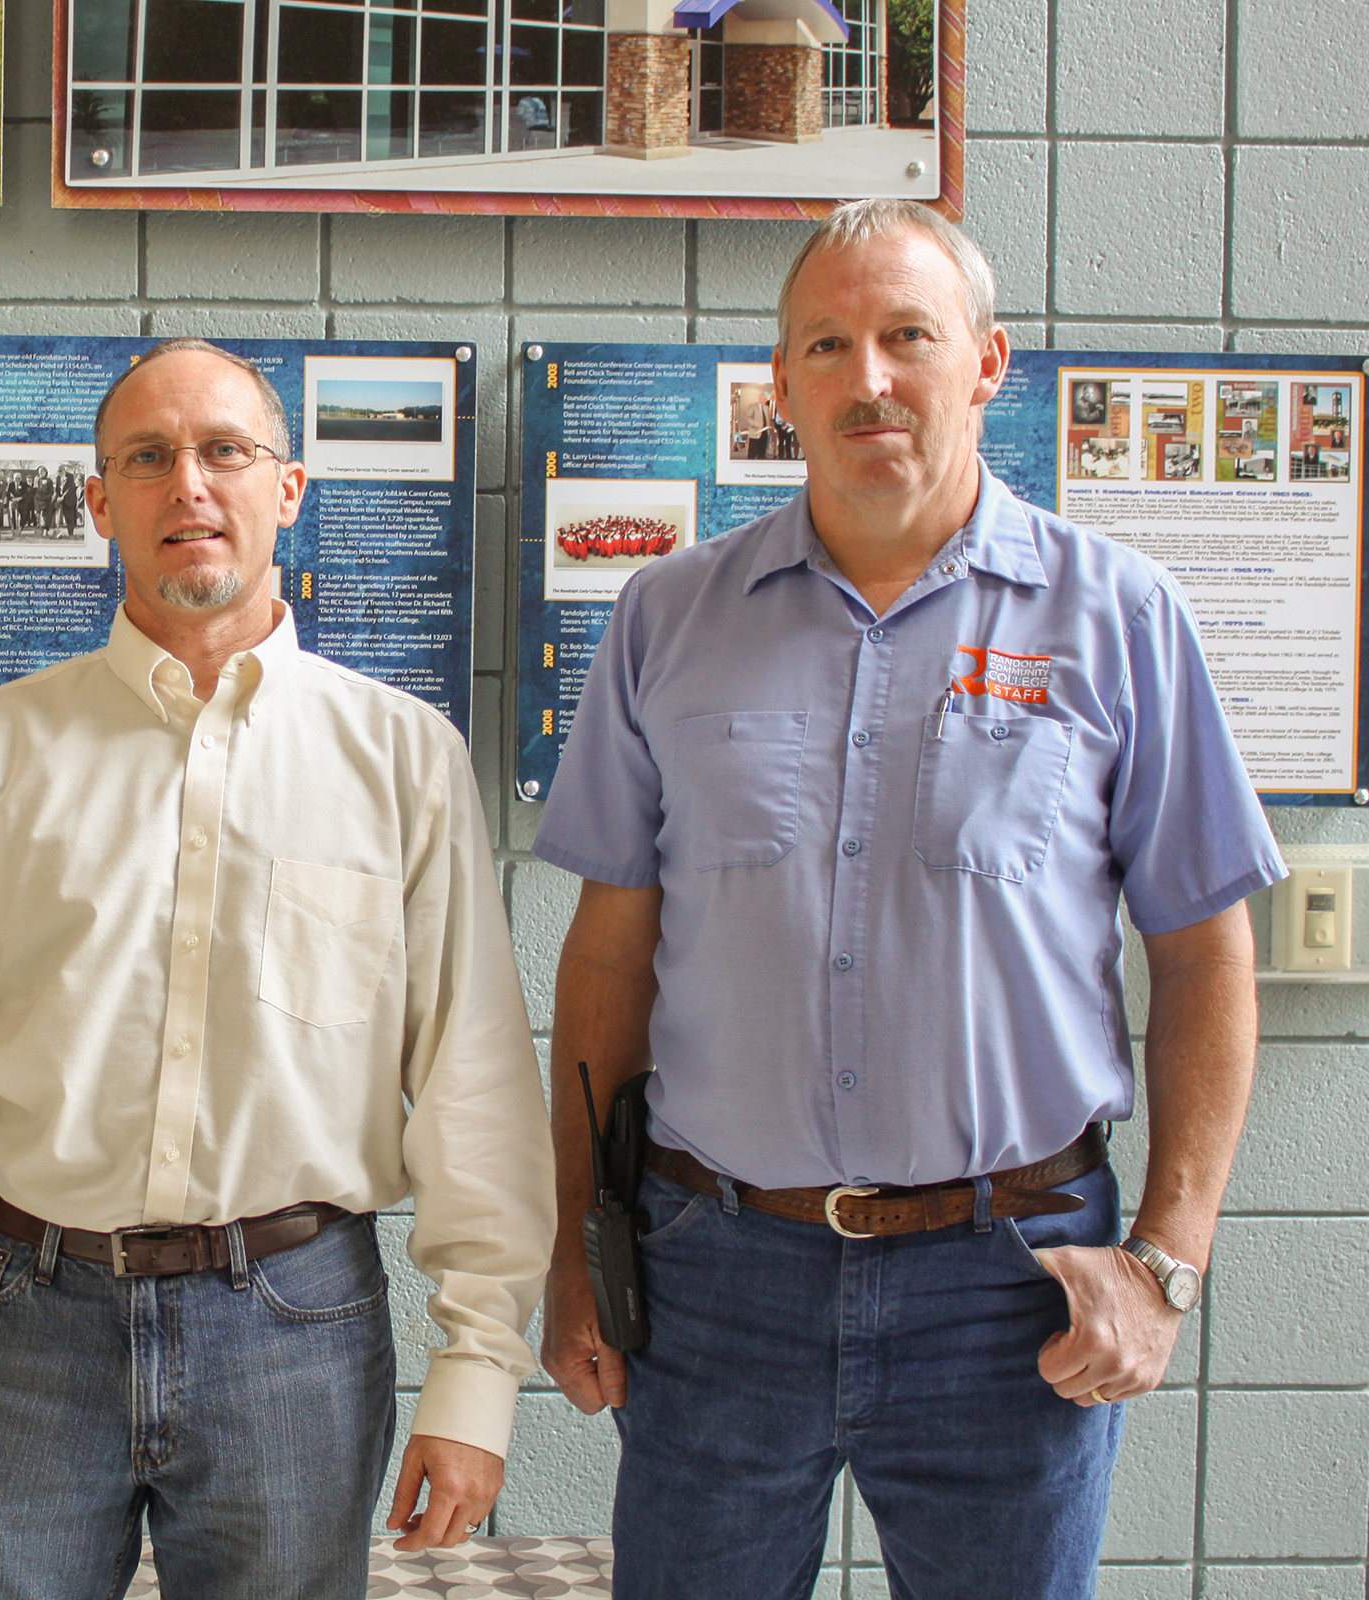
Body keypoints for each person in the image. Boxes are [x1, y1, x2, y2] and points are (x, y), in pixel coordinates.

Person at [534, 198, 1281, 1600]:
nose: (868, 378)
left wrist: (1167, 1262)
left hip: (1010, 1287)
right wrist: (579, 1246)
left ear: (985, 364)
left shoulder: (1117, 618)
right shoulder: (668, 619)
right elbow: (608, 958)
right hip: (718, 1276)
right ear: (784, 387)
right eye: (829, 344)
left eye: (907, 337)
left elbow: (1205, 958)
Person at [0, 337, 553, 1598]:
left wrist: (477, 1372)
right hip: (24, 1319)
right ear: (101, 502)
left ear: (288, 489)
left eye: (223, 452)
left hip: (297, 1326)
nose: (187, 485)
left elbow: (474, 1080)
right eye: (147, 458)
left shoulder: (402, 761)